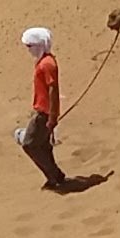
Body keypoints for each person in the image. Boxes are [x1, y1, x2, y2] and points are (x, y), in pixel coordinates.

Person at [17, 23, 75, 191]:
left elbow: (53, 90)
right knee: (43, 145)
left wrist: (52, 117)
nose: (28, 50)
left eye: (30, 46)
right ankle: (54, 177)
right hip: (42, 111)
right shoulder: (45, 62)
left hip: (44, 113)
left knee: (30, 144)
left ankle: (54, 174)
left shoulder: (46, 64)